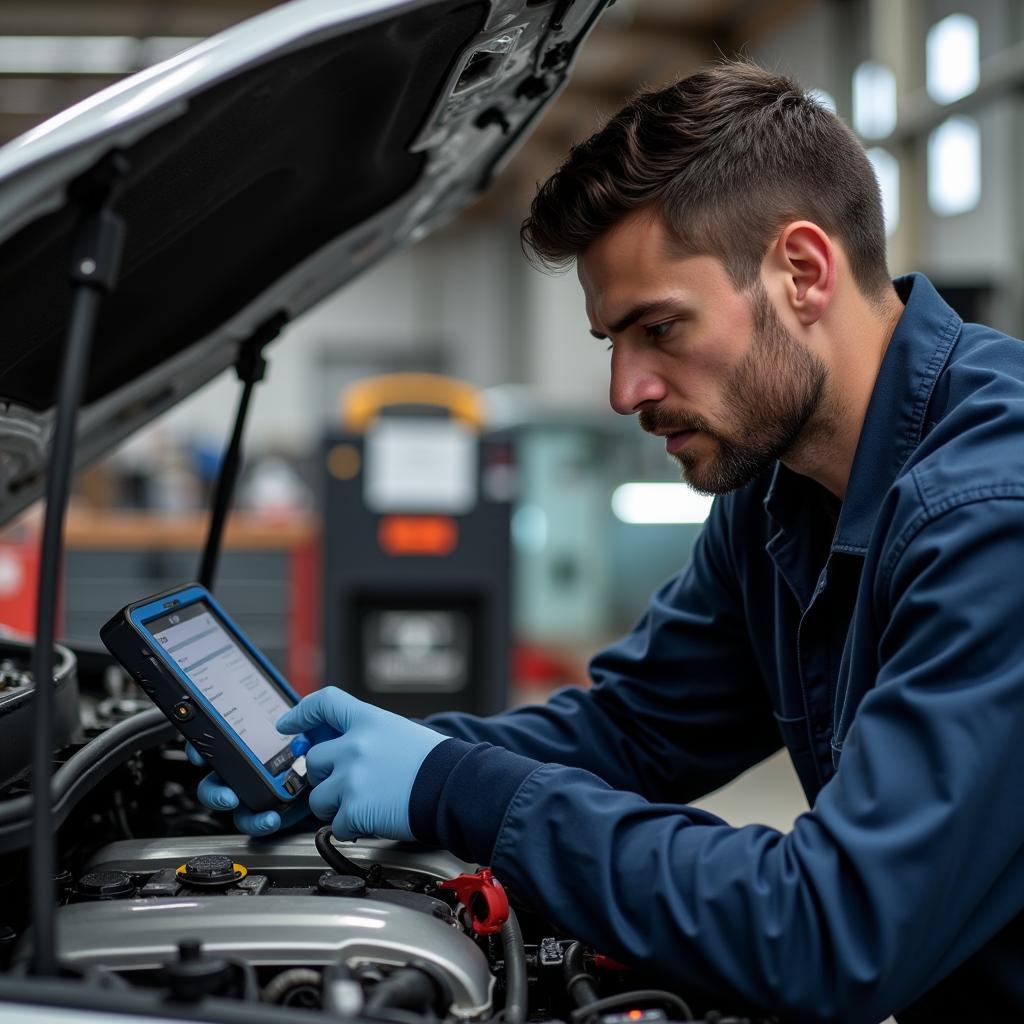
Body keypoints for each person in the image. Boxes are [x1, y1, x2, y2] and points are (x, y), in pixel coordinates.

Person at [193, 60, 1024, 1022]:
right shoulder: (779, 496)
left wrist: (455, 786)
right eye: (611, 343)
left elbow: (832, 928)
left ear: (803, 271)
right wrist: (380, 760)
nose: (625, 390)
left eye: (659, 328)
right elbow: (631, 730)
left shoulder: (991, 513)